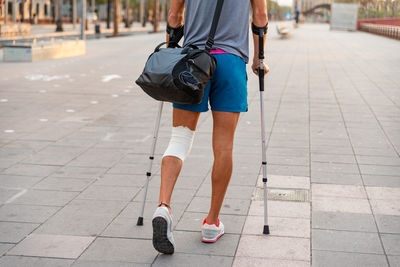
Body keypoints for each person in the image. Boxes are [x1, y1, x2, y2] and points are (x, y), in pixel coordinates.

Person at [151, 0, 270, 254]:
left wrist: (171, 49)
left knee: (179, 139)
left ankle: (163, 206)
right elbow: (260, 15)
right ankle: (212, 223)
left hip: (192, 63)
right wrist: (259, 59)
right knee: (224, 145)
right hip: (231, 62)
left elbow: (174, 15)